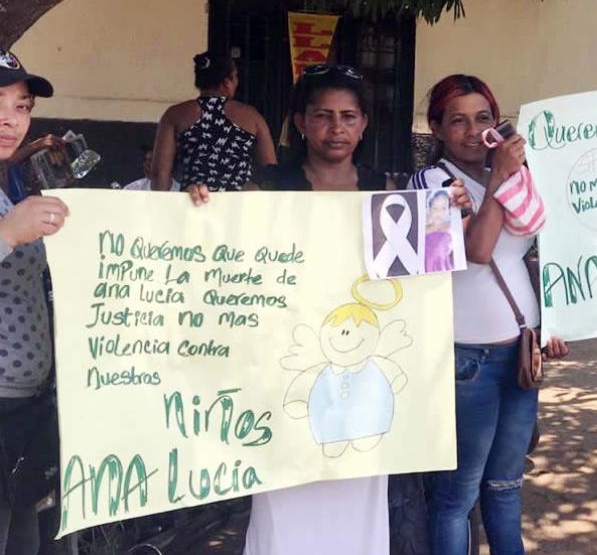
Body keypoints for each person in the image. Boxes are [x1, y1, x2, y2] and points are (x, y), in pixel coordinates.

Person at [188, 64, 445, 555]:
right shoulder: (266, 189)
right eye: (323, 115)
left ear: (365, 123)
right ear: (301, 123)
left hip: (364, 380)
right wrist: (199, 210)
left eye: (348, 116)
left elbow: (418, 284)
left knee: (358, 506)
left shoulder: (389, 192)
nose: (336, 128)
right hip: (285, 373)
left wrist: (445, 215)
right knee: (283, 504)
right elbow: (224, 258)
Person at [410, 74, 568, 555]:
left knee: (505, 487)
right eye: (457, 121)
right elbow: (478, 251)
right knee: (457, 496)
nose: (472, 130)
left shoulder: (515, 179)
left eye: (482, 118)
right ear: (435, 127)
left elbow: (533, 253)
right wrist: (500, 176)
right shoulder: (431, 184)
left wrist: (555, 320)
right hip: (467, 360)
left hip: (520, 351)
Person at [0, 49, 69, 555]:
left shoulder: (13, 180)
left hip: (27, 403)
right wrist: (9, 232)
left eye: (21, 106)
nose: (10, 119)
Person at [153, 52, 276, 192]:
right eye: (235, 76)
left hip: (194, 203)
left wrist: (161, 209)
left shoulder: (174, 115)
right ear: (227, 82)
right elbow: (270, 170)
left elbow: (159, 174)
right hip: (240, 206)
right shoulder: (252, 117)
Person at [425, 190, 456, 272]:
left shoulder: (452, 229)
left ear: (449, 211)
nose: (439, 213)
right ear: (429, 210)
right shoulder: (424, 231)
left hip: (445, 271)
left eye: (443, 208)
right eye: (435, 208)